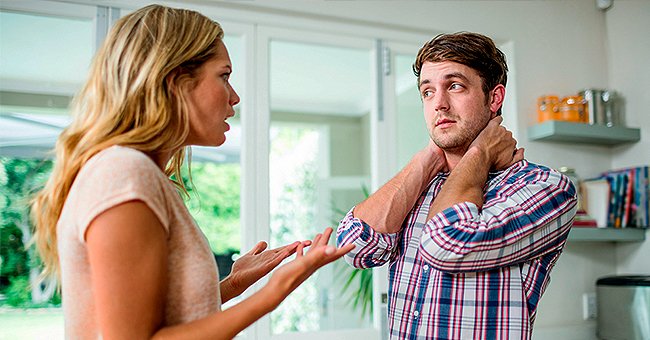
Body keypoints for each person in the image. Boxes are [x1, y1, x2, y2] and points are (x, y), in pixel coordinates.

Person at [31, 5, 354, 339]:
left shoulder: (145, 176)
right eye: (224, 76)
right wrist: (273, 293)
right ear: (176, 81)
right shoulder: (124, 172)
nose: (235, 97)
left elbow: (162, 316)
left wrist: (234, 283)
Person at [337, 32, 577, 339]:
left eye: (454, 86)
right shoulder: (420, 185)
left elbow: (446, 245)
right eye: (427, 92)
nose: (439, 104)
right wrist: (429, 157)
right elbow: (355, 248)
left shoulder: (546, 187)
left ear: (495, 98)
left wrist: (480, 151)